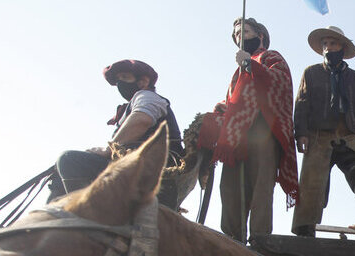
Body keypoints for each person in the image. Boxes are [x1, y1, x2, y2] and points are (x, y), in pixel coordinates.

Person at [206, 17, 298, 243]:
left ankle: (260, 242)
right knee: (230, 188)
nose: (240, 36)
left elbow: (280, 82)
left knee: (261, 188)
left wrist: (251, 65)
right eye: (237, 34)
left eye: (245, 31)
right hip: (237, 137)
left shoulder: (270, 57)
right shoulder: (236, 73)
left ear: (260, 36)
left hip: (263, 131)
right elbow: (235, 102)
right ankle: (232, 240)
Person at [292, 26, 355, 236]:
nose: (328, 48)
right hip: (319, 136)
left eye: (333, 43)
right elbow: (301, 104)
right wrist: (301, 133)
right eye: (325, 44)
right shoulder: (312, 72)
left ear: (342, 48)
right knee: (311, 184)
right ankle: (304, 233)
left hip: (349, 136)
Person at [51, 60, 183, 199]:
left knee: (69, 160)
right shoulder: (131, 106)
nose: (120, 84)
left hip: (151, 174)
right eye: (118, 80)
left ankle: (85, 213)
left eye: (125, 77)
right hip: (132, 170)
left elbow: (142, 120)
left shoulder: (147, 96)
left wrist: (109, 150)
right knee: (59, 174)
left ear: (143, 81)